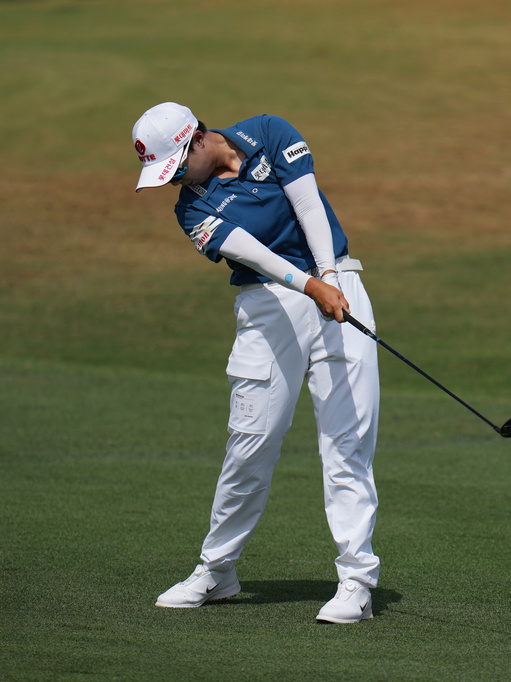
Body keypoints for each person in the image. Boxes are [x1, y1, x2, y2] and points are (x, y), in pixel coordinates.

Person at [132, 102, 380, 623]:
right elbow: (257, 255)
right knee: (251, 443)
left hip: (339, 283)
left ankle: (356, 581)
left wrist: (329, 279)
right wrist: (311, 284)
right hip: (269, 306)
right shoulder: (190, 210)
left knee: (347, 441)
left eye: (175, 166)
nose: (173, 181)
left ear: (198, 138)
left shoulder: (269, 132)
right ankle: (217, 570)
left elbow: (309, 206)